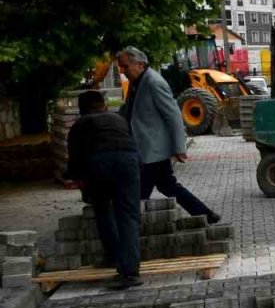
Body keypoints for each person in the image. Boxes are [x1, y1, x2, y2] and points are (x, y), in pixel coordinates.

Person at [115, 47, 222, 224]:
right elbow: (130, 110)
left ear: (140, 64)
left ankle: (129, 228)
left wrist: (179, 146)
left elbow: (172, 114)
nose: (123, 71)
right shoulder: (138, 82)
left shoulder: (153, 83)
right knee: (166, 185)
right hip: (147, 148)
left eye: (125, 67)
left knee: (140, 191)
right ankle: (206, 214)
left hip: (153, 149)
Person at [64, 90, 143, 289]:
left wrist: (79, 181)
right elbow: (134, 144)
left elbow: (75, 159)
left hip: (99, 163)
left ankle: (113, 256)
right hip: (129, 162)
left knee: (102, 208)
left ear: (82, 109)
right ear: (104, 105)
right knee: (128, 215)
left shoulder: (81, 124)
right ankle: (130, 272)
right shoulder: (119, 120)